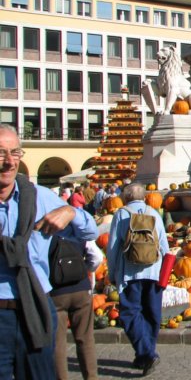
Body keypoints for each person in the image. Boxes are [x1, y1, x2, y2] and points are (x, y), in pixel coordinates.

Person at [0, 124, 97, 379]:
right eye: (0, 153)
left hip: (36, 309)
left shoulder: (40, 198)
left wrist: (71, 211)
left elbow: (90, 233)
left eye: (14, 153)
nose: (9, 162)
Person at [107, 183, 169, 377]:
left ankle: (146, 353)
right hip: (154, 271)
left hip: (129, 273)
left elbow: (113, 247)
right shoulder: (154, 213)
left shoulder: (121, 214)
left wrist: (112, 272)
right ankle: (145, 354)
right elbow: (165, 247)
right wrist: (165, 274)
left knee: (129, 313)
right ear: (145, 196)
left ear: (125, 197)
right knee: (152, 313)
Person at [50, 225, 101, 379]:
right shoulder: (76, 227)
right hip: (81, 288)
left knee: (58, 343)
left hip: (56, 291)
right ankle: (91, 377)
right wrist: (85, 270)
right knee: (85, 339)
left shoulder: (43, 230)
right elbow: (96, 256)